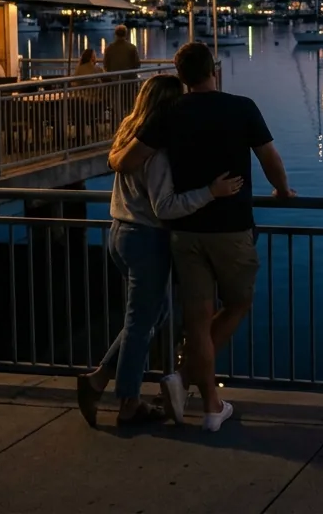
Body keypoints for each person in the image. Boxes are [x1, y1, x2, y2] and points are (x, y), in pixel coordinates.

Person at [109, 41, 293, 432]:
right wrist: (281, 190)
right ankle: (185, 378)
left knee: (197, 319)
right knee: (239, 303)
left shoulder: (170, 113)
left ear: (181, 76)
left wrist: (114, 158)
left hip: (184, 233)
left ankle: (210, 406)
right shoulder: (242, 107)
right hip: (229, 228)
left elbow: (127, 160)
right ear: (215, 69)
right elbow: (268, 156)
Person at [77, 75, 243, 428]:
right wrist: (210, 192)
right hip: (146, 238)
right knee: (141, 323)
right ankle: (128, 402)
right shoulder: (158, 153)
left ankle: (100, 378)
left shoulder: (129, 132)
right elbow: (165, 206)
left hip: (119, 231)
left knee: (153, 316)